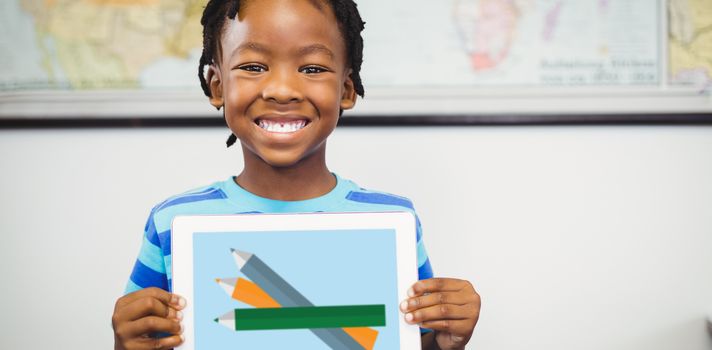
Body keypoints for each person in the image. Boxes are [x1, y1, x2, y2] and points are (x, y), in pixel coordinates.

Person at [111, 0, 481, 349]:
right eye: (254, 67)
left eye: (313, 69)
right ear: (217, 86)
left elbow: (408, 340)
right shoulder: (172, 221)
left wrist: (447, 342)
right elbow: (148, 338)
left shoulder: (393, 221)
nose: (282, 91)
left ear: (346, 91)